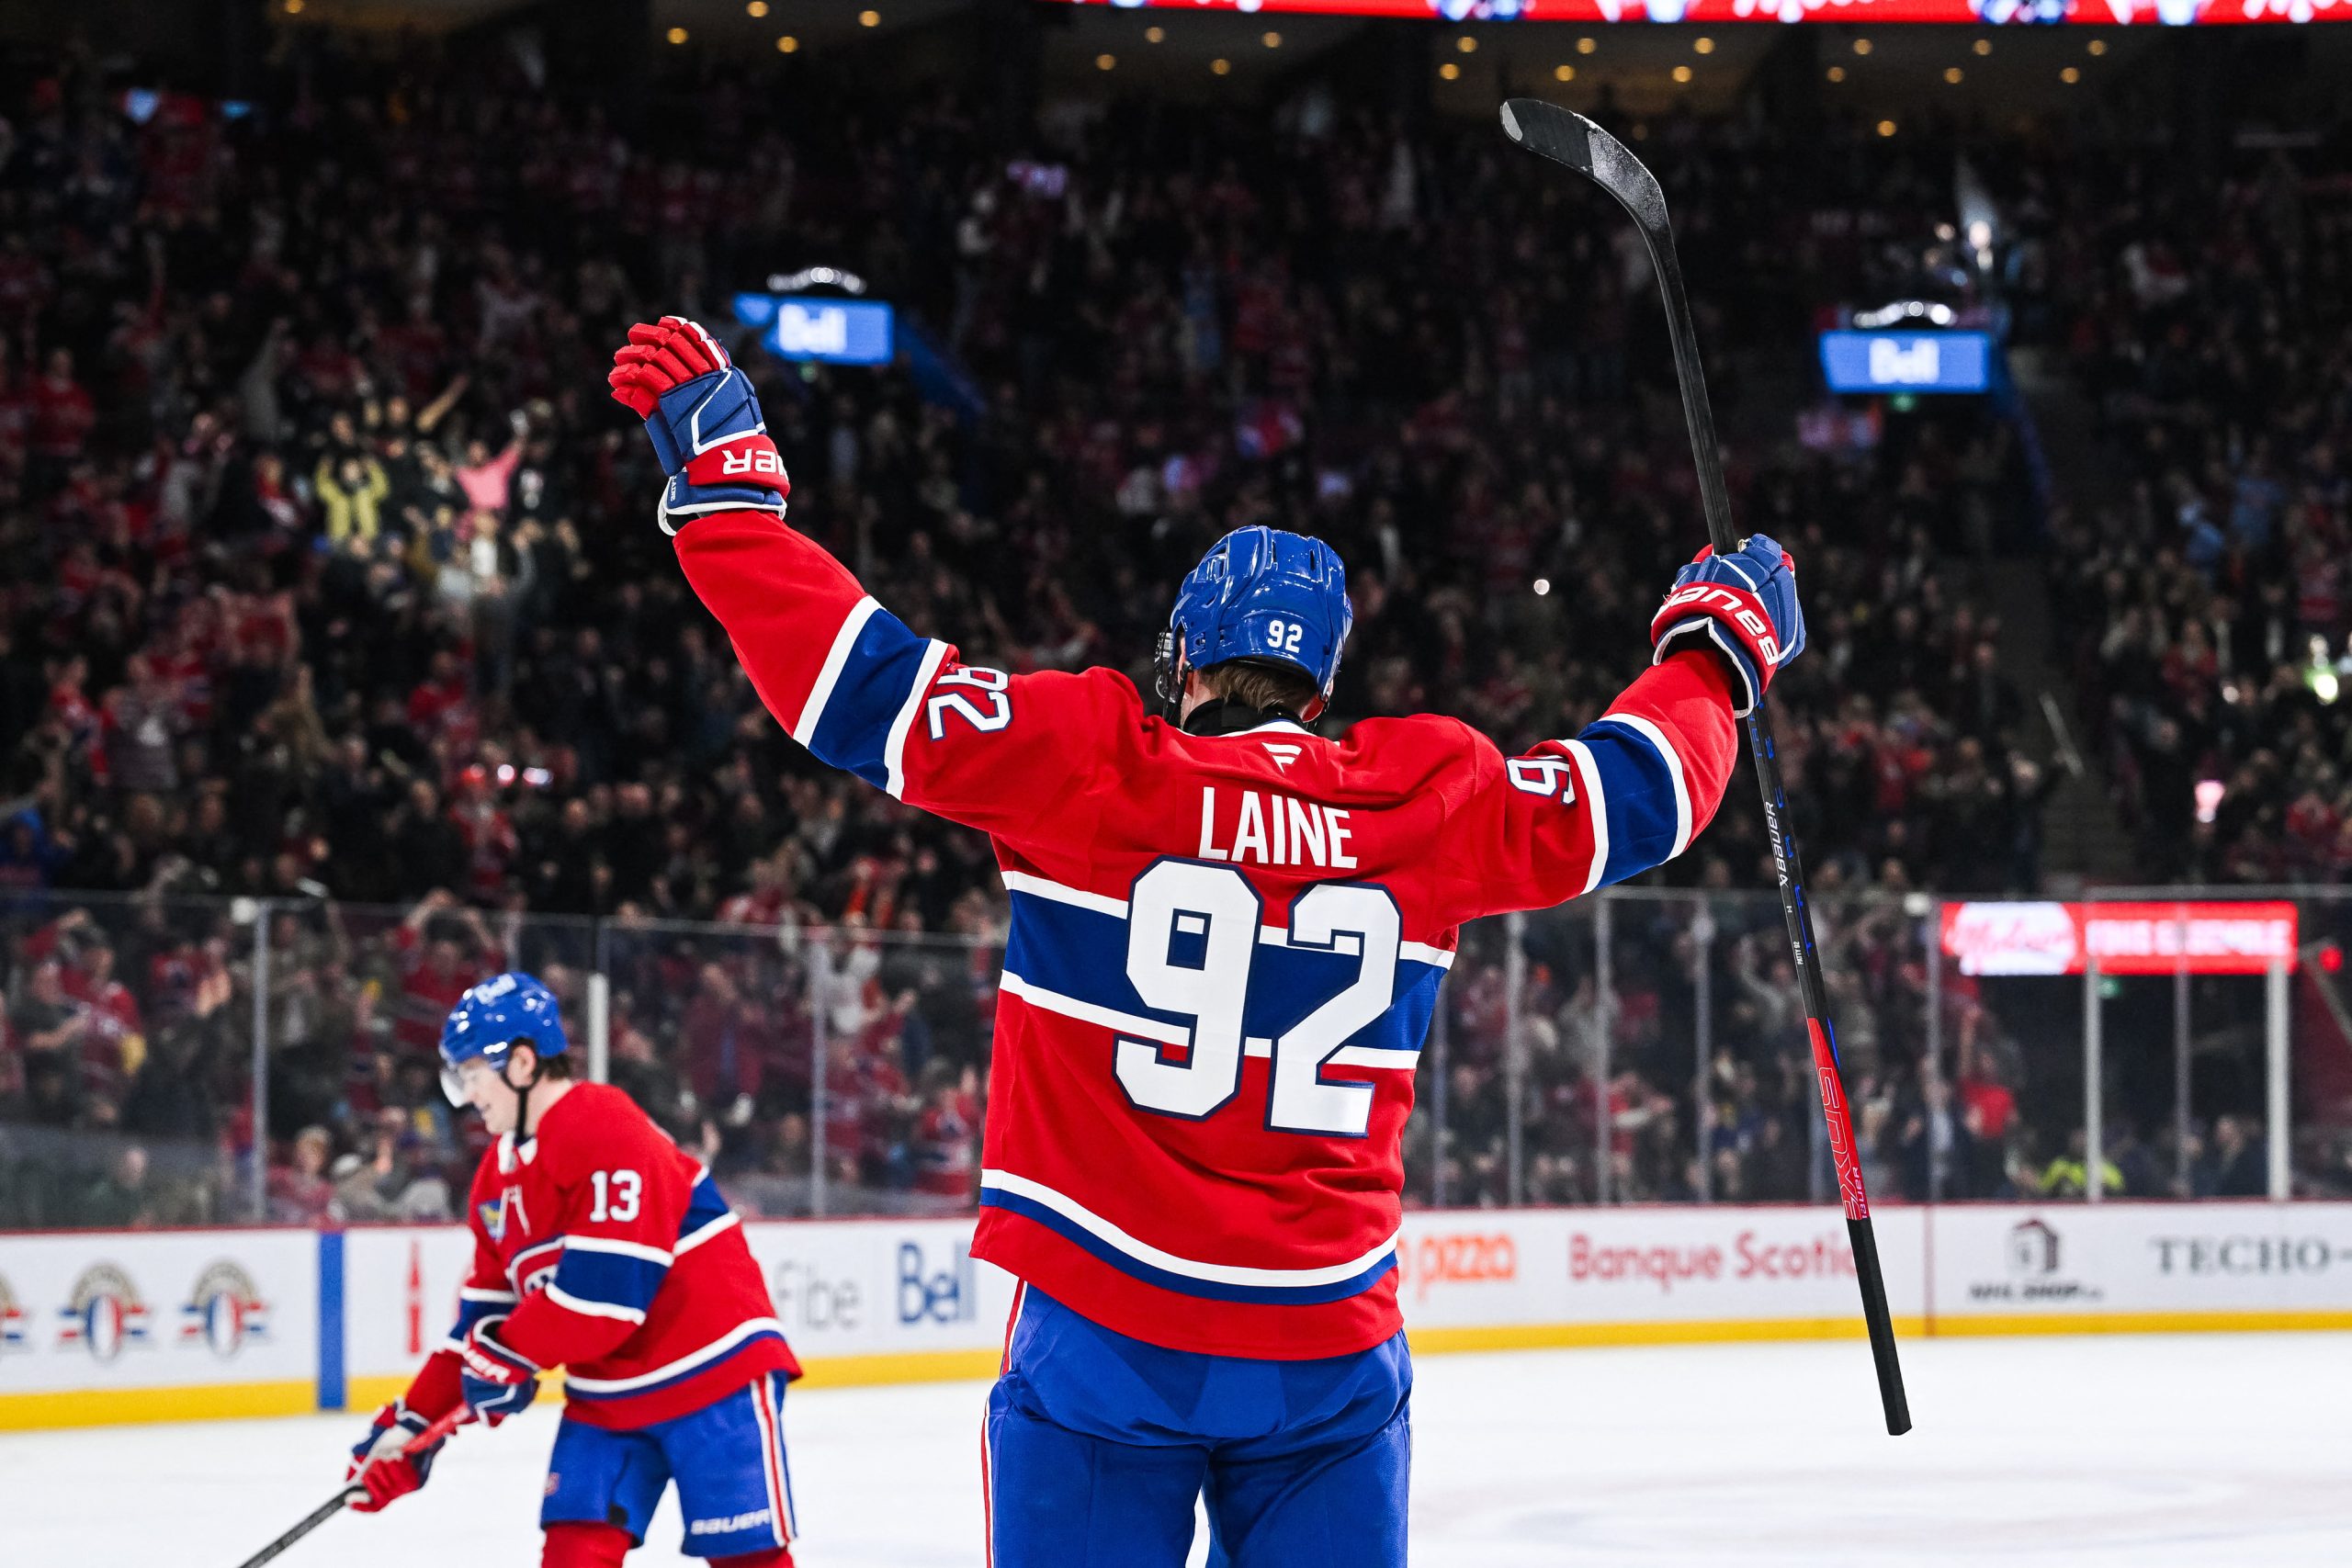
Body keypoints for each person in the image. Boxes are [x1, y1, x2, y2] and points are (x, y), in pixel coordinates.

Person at [609, 317, 1802, 1568]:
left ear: (1185, 658)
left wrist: (728, 491)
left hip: (1107, 1333)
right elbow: (1643, 789)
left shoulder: (1093, 758)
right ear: (1318, 683)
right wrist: (1716, 654)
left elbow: (858, 684)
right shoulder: (1429, 794)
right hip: (1327, 1346)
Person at [344, 971, 803, 1568]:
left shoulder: (607, 1124)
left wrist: (503, 1360)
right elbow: (482, 1328)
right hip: (608, 1397)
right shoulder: (493, 1182)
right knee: (573, 1554)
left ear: (523, 1062)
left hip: (712, 1373)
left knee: (747, 1559)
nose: (467, 1093)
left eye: (473, 1075)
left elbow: (602, 1303)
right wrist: (410, 1428)